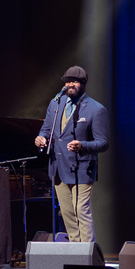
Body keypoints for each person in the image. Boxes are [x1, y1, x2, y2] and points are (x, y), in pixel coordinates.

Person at [34, 66, 110, 242]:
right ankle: (76, 255)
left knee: (81, 211)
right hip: (58, 168)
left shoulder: (96, 109)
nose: (70, 85)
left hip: (82, 169)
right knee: (67, 213)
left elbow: (103, 143)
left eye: (74, 82)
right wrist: (40, 137)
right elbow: (46, 129)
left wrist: (82, 145)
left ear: (83, 84)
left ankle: (89, 256)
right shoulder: (56, 103)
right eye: (67, 82)